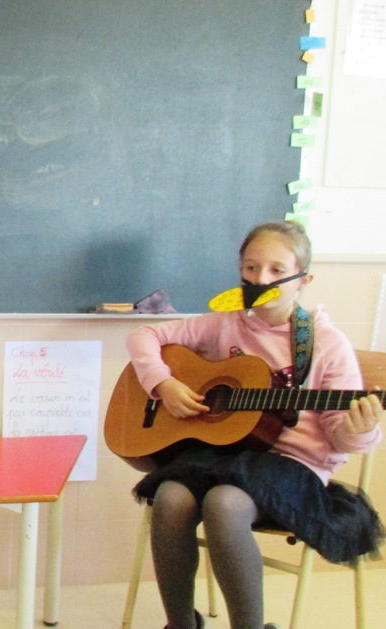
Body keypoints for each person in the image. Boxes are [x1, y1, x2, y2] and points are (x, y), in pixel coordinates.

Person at [125, 220, 384, 629]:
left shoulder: (325, 343)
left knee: (224, 504)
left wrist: (360, 428)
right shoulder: (225, 324)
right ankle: (180, 624)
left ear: (304, 280)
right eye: (251, 267)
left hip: (296, 469)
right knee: (171, 497)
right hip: (227, 456)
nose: (261, 279)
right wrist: (164, 384)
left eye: (277, 270)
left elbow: (341, 433)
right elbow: (143, 334)